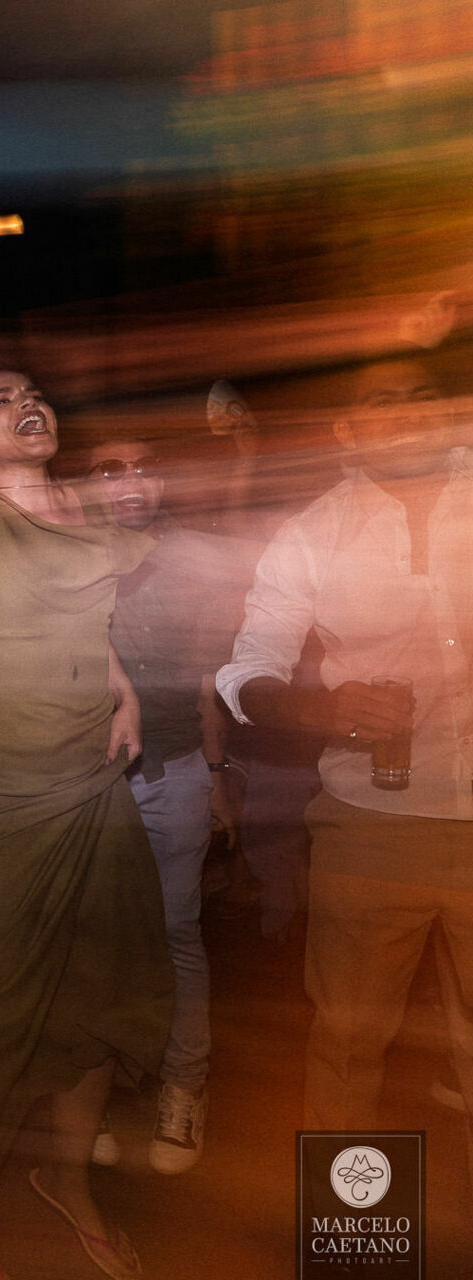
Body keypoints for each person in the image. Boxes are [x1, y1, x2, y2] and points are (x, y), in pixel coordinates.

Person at [0, 278, 170, 1280]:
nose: (28, 404)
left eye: (34, 393)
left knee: (112, 987)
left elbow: (84, 623)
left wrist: (121, 688)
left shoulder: (85, 521)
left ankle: (70, 1176)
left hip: (90, 786)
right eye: (0, 399)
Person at [214, 354, 473, 1178]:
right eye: (382, 402)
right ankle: (354, 1244)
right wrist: (315, 708)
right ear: (347, 431)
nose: (408, 413)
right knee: (349, 1048)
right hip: (372, 827)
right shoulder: (311, 533)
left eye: (425, 396)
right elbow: (245, 670)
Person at [88, 436, 248, 1175]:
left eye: (146, 464)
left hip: (172, 772)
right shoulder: (61, 552)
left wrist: (218, 771)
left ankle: (184, 1087)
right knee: (88, 940)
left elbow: (208, 676)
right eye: (109, 468)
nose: (131, 480)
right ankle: (87, 1093)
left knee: (176, 933)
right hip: (84, 783)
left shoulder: (192, 558)